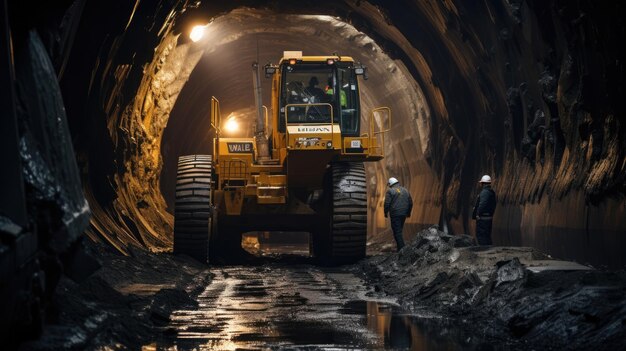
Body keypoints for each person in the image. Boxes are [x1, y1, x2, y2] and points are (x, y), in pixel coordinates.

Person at [384, 177, 413, 251]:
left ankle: (403, 250)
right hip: (403, 214)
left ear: (390, 184)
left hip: (395, 214)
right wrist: (408, 213)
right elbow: (410, 203)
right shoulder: (406, 190)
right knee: (399, 231)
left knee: (397, 232)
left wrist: (385, 212)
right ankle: (399, 249)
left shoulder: (390, 191)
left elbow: (387, 203)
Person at [472, 175, 497, 245]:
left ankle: (484, 252)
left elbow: (483, 204)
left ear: (483, 183)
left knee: (481, 236)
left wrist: (478, 214)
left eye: (481, 183)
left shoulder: (485, 192)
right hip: (488, 218)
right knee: (487, 236)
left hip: (483, 219)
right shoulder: (491, 192)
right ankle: (489, 250)